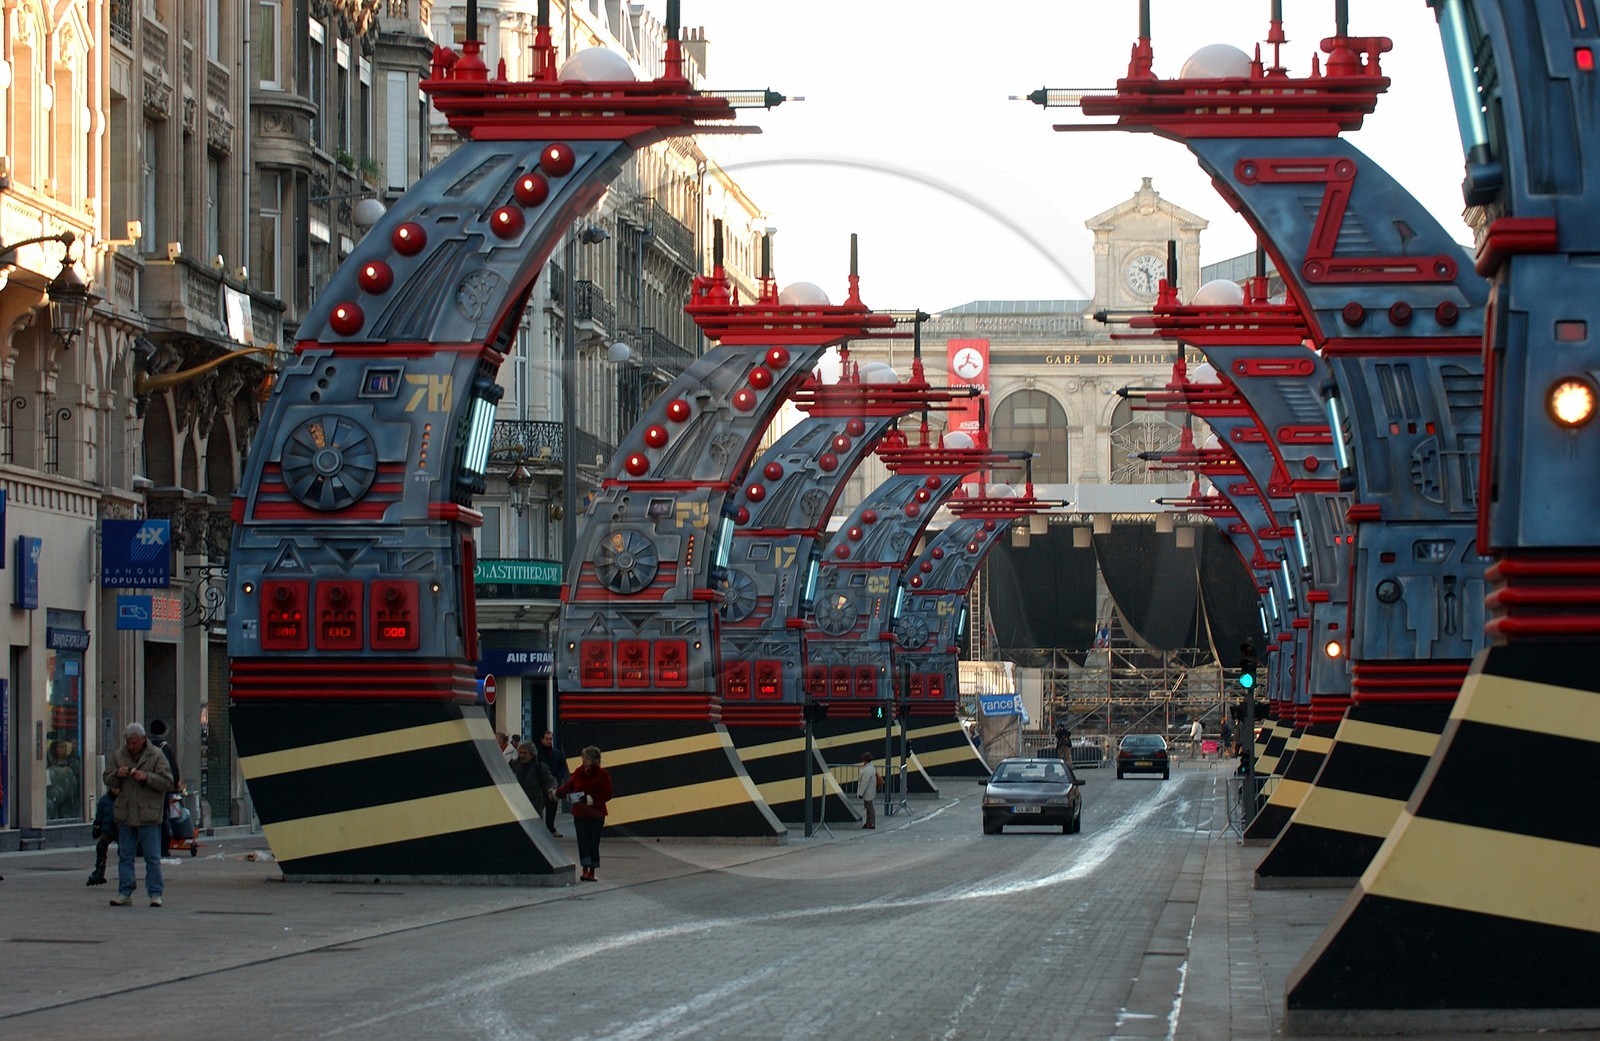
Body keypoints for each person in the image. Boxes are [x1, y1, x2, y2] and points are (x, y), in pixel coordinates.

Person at [104, 723, 174, 907]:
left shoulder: (156, 756)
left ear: (143, 740)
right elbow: (107, 778)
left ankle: (155, 893)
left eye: (135, 742)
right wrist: (117, 774)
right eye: (129, 742)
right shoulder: (119, 756)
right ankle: (124, 891)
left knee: (152, 856)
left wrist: (147, 777)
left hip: (148, 814)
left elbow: (168, 782)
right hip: (126, 813)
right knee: (125, 855)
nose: (132, 746)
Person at [554, 746, 612, 882]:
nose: (584, 760)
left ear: (595, 760)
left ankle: (592, 871)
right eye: (583, 757)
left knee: (593, 842)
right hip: (580, 813)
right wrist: (556, 794)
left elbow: (607, 793)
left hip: (596, 814)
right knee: (582, 841)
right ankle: (585, 870)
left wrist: (591, 799)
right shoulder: (578, 772)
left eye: (587, 758)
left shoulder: (602, 774)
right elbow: (569, 786)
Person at [148, 719, 181, 855]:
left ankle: (148, 845)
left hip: (147, 785)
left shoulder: (146, 746)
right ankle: (163, 847)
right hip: (162, 787)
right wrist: (175, 784)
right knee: (163, 817)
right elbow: (173, 768)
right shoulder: (165, 747)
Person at [511, 741, 556, 826]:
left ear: (532, 754)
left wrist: (551, 790)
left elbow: (549, 781)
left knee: (535, 826)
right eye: (520, 753)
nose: (522, 755)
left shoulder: (540, 767)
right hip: (518, 802)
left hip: (534, 803)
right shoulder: (514, 765)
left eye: (525, 753)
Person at [537, 731, 570, 837]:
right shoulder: (537, 753)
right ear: (542, 740)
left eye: (550, 739)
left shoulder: (557, 753)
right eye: (547, 739)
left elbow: (562, 767)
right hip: (540, 786)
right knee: (538, 808)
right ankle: (537, 829)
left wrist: (557, 778)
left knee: (552, 809)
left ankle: (551, 828)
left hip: (554, 785)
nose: (549, 741)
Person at [87, 789, 118, 886]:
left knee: (126, 852)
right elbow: (99, 814)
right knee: (101, 847)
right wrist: (97, 825)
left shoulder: (124, 798)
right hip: (107, 829)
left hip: (121, 829)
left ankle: (127, 875)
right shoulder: (104, 800)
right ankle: (99, 871)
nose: (116, 790)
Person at [858, 751, 878, 830]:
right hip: (871, 791)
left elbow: (864, 783)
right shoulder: (871, 768)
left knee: (869, 808)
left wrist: (860, 793)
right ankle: (869, 822)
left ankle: (871, 823)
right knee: (869, 807)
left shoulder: (867, 770)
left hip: (867, 792)